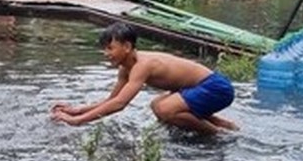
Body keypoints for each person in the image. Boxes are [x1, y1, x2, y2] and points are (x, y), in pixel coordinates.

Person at [50, 23, 238, 135]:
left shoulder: (142, 65)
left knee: (165, 109)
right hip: (201, 88)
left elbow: (120, 105)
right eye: (104, 49)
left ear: (127, 47)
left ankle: (216, 135)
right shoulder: (126, 68)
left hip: (216, 87)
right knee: (157, 105)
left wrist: (77, 122)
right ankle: (224, 125)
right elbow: (112, 100)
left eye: (110, 48)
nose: (105, 53)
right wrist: (77, 110)